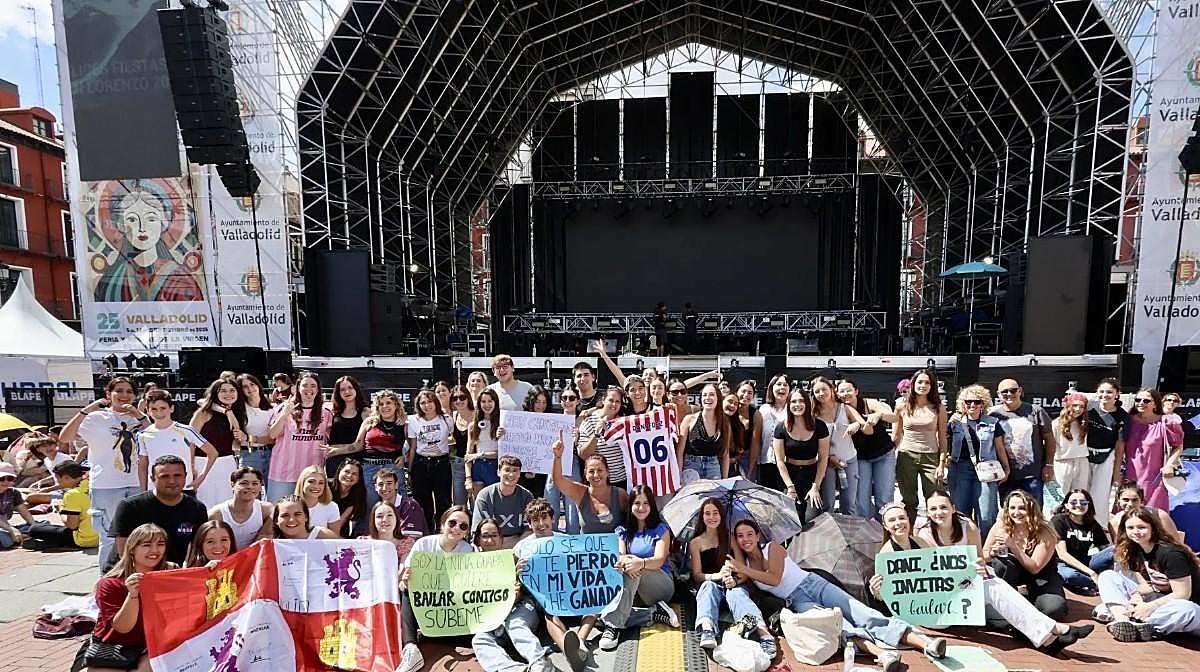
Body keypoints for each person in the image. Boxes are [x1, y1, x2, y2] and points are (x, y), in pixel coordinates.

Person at [880, 499, 1092, 655]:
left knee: (992, 584)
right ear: (886, 526)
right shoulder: (887, 554)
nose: (898, 523)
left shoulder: (920, 542)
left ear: (908, 520)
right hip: (926, 615)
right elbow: (887, 596)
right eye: (892, 520)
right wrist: (877, 588)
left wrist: (970, 573)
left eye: (901, 518)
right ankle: (1055, 628)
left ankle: (1047, 638)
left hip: (943, 603)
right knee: (992, 589)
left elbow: (940, 577)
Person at [730, 518, 947, 670]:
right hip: (798, 600)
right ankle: (882, 655)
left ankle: (925, 644)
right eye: (739, 536)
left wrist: (744, 570)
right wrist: (735, 562)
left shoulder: (772, 548)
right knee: (837, 626)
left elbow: (774, 578)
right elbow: (737, 577)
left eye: (749, 534)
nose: (745, 539)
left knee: (862, 613)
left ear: (758, 535)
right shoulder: (746, 564)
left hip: (813, 584)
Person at [59, 377, 149, 568]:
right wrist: (86, 411)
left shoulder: (138, 418)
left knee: (138, 535)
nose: (125, 395)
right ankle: (106, 581)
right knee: (110, 536)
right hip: (106, 486)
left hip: (136, 483)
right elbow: (65, 437)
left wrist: (139, 414)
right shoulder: (96, 418)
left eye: (129, 391)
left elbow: (156, 437)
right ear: (109, 394)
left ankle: (132, 578)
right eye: (119, 391)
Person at [509, 499, 593, 671]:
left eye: (544, 518)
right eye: (535, 520)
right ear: (529, 523)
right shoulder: (521, 548)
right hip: (542, 598)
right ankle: (567, 649)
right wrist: (516, 571)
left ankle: (581, 642)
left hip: (569, 592)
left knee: (594, 602)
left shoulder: (566, 541)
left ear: (552, 519)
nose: (540, 524)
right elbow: (515, 582)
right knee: (550, 613)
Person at [474, 501, 556, 672]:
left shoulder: (512, 557)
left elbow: (528, 588)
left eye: (494, 535)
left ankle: (539, 661)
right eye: (485, 536)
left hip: (519, 608)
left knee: (515, 624)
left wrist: (517, 578)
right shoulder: (470, 565)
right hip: (490, 618)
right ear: (478, 540)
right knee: (479, 640)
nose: (490, 540)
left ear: (501, 539)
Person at [1096, 508, 1200, 640]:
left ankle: (1143, 623)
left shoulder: (1171, 554)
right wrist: (1137, 596)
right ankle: (1124, 620)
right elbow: (1146, 585)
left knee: (1186, 610)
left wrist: (1149, 607)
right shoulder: (1134, 551)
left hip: (1188, 605)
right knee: (1107, 576)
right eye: (1131, 528)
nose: (1136, 532)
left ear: (1153, 528)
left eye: (1141, 527)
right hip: (1161, 600)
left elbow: (1183, 594)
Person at [597, 485, 679, 650]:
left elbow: (659, 560)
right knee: (628, 568)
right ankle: (653, 613)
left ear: (652, 505)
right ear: (630, 506)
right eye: (637, 503)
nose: (641, 508)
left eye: (646, 503)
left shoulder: (661, 530)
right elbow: (620, 555)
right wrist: (623, 562)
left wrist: (638, 562)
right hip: (635, 592)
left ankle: (613, 626)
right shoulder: (622, 531)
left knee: (635, 567)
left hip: (660, 585)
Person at [689, 498, 774, 653]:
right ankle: (707, 629)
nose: (712, 517)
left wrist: (734, 580)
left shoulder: (730, 538)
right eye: (707, 513)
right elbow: (697, 575)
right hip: (711, 586)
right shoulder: (695, 542)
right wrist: (717, 575)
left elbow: (742, 569)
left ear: (721, 515)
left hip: (733, 585)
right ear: (702, 517)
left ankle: (764, 634)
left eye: (715, 513)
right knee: (708, 587)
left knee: (737, 593)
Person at [91, 187, 205, 302]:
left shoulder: (180, 279)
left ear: (163, 223)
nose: (142, 228)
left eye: (151, 219)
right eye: (132, 219)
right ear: (121, 225)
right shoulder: (110, 282)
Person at [397, 506, 475, 672]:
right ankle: (411, 648)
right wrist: (406, 580)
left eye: (463, 526)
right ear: (442, 524)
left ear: (467, 532)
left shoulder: (468, 551)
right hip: (424, 609)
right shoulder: (424, 544)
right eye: (452, 523)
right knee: (406, 592)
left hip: (450, 613)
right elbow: (404, 584)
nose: (456, 528)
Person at [87, 523, 172, 672]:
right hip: (114, 647)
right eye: (146, 545)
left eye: (160, 544)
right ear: (132, 549)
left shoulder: (168, 576)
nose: (155, 550)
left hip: (150, 647)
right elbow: (122, 628)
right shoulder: (110, 584)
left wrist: (211, 570)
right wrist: (132, 595)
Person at [105, 455, 208, 572]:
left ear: (185, 476)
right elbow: (123, 550)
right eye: (164, 476)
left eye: (177, 475)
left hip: (172, 573)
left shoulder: (197, 508)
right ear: (152, 478)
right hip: (129, 571)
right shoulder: (130, 507)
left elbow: (198, 548)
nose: (172, 481)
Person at [982, 490, 1067, 622]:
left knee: (1054, 609)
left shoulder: (1045, 531)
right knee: (1000, 563)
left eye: (1022, 508)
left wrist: (1012, 545)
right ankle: (1007, 600)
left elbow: (1035, 568)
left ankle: (1028, 599)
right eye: (1012, 508)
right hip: (1012, 573)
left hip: (1041, 576)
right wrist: (992, 553)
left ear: (1031, 509)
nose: (1016, 512)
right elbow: (984, 555)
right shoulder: (1001, 526)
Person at [946, 384, 1009, 538]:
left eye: (977, 401)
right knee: (961, 513)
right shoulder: (954, 422)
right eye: (968, 402)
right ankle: (963, 548)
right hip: (960, 469)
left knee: (987, 514)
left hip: (986, 469)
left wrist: (1006, 468)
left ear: (983, 403)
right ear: (963, 403)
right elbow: (943, 441)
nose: (972, 405)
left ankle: (987, 550)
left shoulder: (993, 422)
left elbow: (1000, 447)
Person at [135, 390, 217, 497]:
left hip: (184, 489)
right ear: (148, 410)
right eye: (154, 409)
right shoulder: (142, 435)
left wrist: (201, 477)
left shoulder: (187, 430)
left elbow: (212, 453)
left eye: (163, 408)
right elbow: (142, 466)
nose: (159, 412)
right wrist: (143, 492)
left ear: (171, 408)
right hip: (155, 490)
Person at [266, 372, 332, 502]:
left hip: (311, 477)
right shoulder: (284, 408)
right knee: (277, 513)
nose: (309, 389)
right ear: (297, 388)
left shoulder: (325, 413)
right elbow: (272, 434)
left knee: (306, 517)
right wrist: (285, 414)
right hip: (283, 473)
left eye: (313, 386)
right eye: (305, 385)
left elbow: (331, 438)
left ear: (318, 389)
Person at [988, 378, 1055, 505]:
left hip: (1032, 475)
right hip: (1005, 476)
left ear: (1020, 391)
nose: (1009, 394)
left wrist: (1049, 465)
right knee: (1009, 514)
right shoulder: (993, 416)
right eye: (1004, 391)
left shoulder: (1036, 411)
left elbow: (1050, 439)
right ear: (998, 394)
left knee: (1034, 514)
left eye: (1013, 390)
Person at [838, 379, 897, 521]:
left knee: (883, 498)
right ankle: (866, 536)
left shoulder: (868, 403)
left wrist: (879, 415)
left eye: (848, 390)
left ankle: (886, 532)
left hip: (883, 454)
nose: (845, 394)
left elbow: (894, 417)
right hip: (860, 458)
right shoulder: (839, 409)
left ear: (856, 391)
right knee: (861, 501)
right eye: (841, 391)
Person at [894, 368, 948, 521]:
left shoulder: (939, 408)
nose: (923, 385)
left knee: (935, 498)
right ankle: (910, 535)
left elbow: (943, 438)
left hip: (931, 456)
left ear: (932, 386)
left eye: (927, 383)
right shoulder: (902, 406)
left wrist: (942, 464)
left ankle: (935, 535)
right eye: (920, 382)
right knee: (909, 500)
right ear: (913, 384)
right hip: (907, 456)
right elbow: (896, 435)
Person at [188, 379, 248, 508]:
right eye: (223, 391)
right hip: (202, 462)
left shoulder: (237, 413)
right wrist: (191, 465)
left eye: (232, 390)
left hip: (227, 463)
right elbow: (190, 441)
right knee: (204, 503)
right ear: (216, 393)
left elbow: (235, 445)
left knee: (226, 504)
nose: (228, 394)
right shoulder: (203, 413)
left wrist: (242, 436)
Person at [812, 376, 867, 515]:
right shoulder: (813, 413)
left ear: (831, 389)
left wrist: (856, 424)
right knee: (827, 504)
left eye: (824, 389)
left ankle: (848, 535)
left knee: (849, 503)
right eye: (817, 391)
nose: (821, 394)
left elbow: (863, 424)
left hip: (848, 460)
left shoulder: (845, 408)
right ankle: (828, 534)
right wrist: (829, 457)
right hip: (826, 462)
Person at [551, 434, 627, 534]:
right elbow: (558, 480)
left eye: (600, 470)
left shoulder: (621, 495)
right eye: (591, 471)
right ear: (585, 474)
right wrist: (557, 457)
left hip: (616, 548)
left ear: (607, 472)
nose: (596, 475)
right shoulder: (580, 492)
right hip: (587, 549)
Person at [772, 388, 829, 520]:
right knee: (792, 519)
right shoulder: (781, 428)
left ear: (807, 403)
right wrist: (790, 488)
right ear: (788, 405)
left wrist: (816, 486)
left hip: (812, 476)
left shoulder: (819, 426)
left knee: (811, 519)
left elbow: (823, 458)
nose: (797, 405)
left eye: (801, 401)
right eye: (793, 402)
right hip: (789, 477)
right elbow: (779, 460)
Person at [1124, 388, 1184, 511]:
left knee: (1153, 514)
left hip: (1154, 477)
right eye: (1138, 400)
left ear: (1155, 403)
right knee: (1127, 512)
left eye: (1146, 400)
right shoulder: (1127, 421)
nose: (1141, 403)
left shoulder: (1167, 422)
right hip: (1129, 474)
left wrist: (1170, 465)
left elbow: (1178, 446)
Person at [351, 389, 409, 508]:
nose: (385, 406)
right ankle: (368, 527)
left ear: (396, 405)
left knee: (397, 506)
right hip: (369, 468)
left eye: (388, 403)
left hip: (393, 467)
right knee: (370, 506)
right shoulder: (369, 422)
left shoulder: (404, 424)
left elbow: (415, 447)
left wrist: (405, 457)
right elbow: (357, 445)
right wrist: (334, 450)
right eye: (381, 404)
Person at [23, 461, 99, 550]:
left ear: (66, 477)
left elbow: (72, 525)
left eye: (58, 479)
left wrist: (61, 509)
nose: (58, 483)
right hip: (103, 537)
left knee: (34, 529)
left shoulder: (72, 494)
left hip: (85, 540)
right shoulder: (94, 486)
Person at [407, 389, 454, 530]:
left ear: (436, 402)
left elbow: (456, 437)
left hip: (441, 463)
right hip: (421, 463)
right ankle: (425, 530)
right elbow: (413, 447)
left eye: (430, 401)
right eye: (423, 403)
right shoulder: (413, 420)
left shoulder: (446, 419)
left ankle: (443, 530)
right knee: (422, 501)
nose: (427, 405)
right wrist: (409, 471)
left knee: (443, 500)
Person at [1052, 488, 1109, 595]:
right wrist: (1091, 573)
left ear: (1089, 505)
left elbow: (1105, 549)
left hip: (1085, 561)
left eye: (1083, 502)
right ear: (1066, 505)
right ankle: (1100, 584)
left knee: (1115, 551)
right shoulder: (1058, 520)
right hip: (1062, 564)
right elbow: (1062, 554)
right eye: (1073, 502)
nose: (1078, 505)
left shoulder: (1092, 524)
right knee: (1069, 576)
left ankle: (1112, 581)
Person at [1087, 378, 1128, 527]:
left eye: (1109, 392)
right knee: (1081, 492)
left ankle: (1099, 528)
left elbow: (1120, 444)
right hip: (1084, 456)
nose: (1105, 395)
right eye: (1102, 391)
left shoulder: (1122, 416)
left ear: (1117, 394)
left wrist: (1116, 470)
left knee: (1099, 496)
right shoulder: (1088, 408)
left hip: (1106, 458)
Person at [471, 456, 534, 547]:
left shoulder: (527, 496)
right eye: (507, 470)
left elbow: (529, 529)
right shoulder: (485, 495)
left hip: (517, 540)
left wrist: (518, 548)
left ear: (520, 474)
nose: (511, 475)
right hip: (491, 540)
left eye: (515, 470)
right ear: (499, 472)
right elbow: (477, 529)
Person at [208, 466, 272, 551]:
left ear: (260, 487)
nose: (250, 487)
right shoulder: (216, 514)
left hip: (253, 557)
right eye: (244, 483)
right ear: (233, 485)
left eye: (255, 484)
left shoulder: (267, 510)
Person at [546, 385, 583, 534]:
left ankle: (573, 537)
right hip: (553, 461)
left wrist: (578, 437)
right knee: (550, 499)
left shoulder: (582, 420)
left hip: (572, 461)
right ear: (560, 402)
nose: (568, 401)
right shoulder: (551, 420)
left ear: (578, 401)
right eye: (564, 398)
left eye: (572, 398)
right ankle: (550, 535)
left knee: (572, 504)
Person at [676, 384, 731, 480]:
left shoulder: (724, 423)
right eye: (704, 395)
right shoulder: (689, 419)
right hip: (691, 466)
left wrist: (725, 479)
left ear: (718, 398)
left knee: (714, 495)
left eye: (711, 394)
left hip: (713, 467)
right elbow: (680, 452)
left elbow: (725, 454)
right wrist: (679, 477)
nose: (708, 398)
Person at [577, 387, 629, 486]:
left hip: (621, 481)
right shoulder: (589, 421)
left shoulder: (624, 422)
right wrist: (596, 434)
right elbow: (583, 454)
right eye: (611, 400)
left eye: (617, 401)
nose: (614, 404)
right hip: (597, 481)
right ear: (603, 400)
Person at [324, 375, 368, 478]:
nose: (347, 392)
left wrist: (337, 450)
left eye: (350, 388)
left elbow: (360, 445)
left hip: (357, 463)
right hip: (334, 463)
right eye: (342, 389)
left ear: (356, 389)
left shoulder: (365, 413)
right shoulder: (331, 411)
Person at [236, 373, 276, 480]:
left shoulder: (273, 409)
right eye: (245, 386)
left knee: (272, 495)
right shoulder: (239, 410)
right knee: (248, 492)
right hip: (249, 455)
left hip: (272, 455)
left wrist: (250, 438)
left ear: (258, 385)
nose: (250, 388)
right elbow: (204, 402)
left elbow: (274, 439)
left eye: (252, 384)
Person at [1052, 393, 1092, 499]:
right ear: (1068, 406)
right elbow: (1050, 444)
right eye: (1074, 405)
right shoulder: (1056, 423)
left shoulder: (1083, 424)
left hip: (1082, 461)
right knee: (1060, 496)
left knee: (1080, 495)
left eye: (1082, 407)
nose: (1078, 409)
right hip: (1063, 462)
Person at [756, 373, 791, 490]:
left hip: (788, 463)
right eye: (778, 384)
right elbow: (757, 438)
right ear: (772, 388)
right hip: (765, 461)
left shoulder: (793, 409)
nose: (782, 388)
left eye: (785, 385)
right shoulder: (764, 409)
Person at [467, 388, 504, 500]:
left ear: (495, 403)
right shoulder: (473, 426)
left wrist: (480, 455)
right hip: (477, 467)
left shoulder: (502, 424)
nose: (487, 405)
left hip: (495, 467)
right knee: (479, 504)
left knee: (494, 502)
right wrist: (468, 478)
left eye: (490, 401)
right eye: (483, 401)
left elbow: (503, 453)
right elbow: (468, 455)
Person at [518, 387, 553, 496]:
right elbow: (518, 446)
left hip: (543, 471)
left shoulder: (552, 421)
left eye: (544, 402)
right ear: (531, 402)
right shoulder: (521, 420)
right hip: (524, 470)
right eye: (537, 402)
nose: (541, 405)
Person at [375, 467, 428, 538]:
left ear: (396, 485)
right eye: (381, 484)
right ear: (376, 487)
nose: (385, 488)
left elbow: (411, 538)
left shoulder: (410, 505)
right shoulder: (377, 507)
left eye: (389, 483)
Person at [449, 385, 475, 507]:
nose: (459, 401)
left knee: (476, 503)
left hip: (476, 462)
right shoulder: (453, 416)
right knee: (458, 504)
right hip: (459, 463)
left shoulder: (477, 414)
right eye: (455, 398)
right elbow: (453, 439)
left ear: (468, 397)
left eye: (462, 397)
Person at [731, 381, 763, 478]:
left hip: (747, 456)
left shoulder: (756, 414)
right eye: (743, 391)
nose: (746, 395)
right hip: (727, 455)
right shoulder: (729, 410)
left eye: (750, 393)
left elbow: (755, 444)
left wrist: (750, 470)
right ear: (736, 392)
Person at [0, 463, 36, 549]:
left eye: (10, 479)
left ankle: (21, 537)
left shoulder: (13, 492)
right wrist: (11, 529)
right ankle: (22, 537)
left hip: (5, 527)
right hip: (4, 528)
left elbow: (24, 512)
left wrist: (36, 527)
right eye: (1, 479)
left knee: (43, 525)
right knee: (4, 537)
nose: (6, 482)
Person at [271, 495, 338, 540]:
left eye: (297, 514)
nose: (291, 520)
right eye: (285, 515)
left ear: (306, 517)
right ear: (276, 520)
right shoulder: (271, 545)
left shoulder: (323, 535)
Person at [293, 465, 340, 530]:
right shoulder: (290, 506)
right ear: (302, 483)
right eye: (311, 482)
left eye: (321, 483)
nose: (316, 486)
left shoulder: (332, 507)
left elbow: (334, 537)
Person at [330, 459, 367, 537]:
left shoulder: (357, 496)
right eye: (347, 472)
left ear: (358, 479)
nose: (349, 476)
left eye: (354, 474)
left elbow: (338, 525)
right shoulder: (326, 487)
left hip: (338, 533)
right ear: (339, 471)